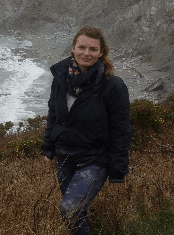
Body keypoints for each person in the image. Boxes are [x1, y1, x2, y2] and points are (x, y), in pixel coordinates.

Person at [42, 26, 133, 235]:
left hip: (94, 160)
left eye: (92, 49)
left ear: (101, 52)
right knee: (76, 213)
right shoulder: (60, 80)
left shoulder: (113, 86)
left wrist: (117, 173)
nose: (86, 53)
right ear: (73, 49)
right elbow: (54, 114)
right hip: (64, 158)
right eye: (81, 47)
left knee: (70, 208)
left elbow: (122, 130)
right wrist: (48, 148)